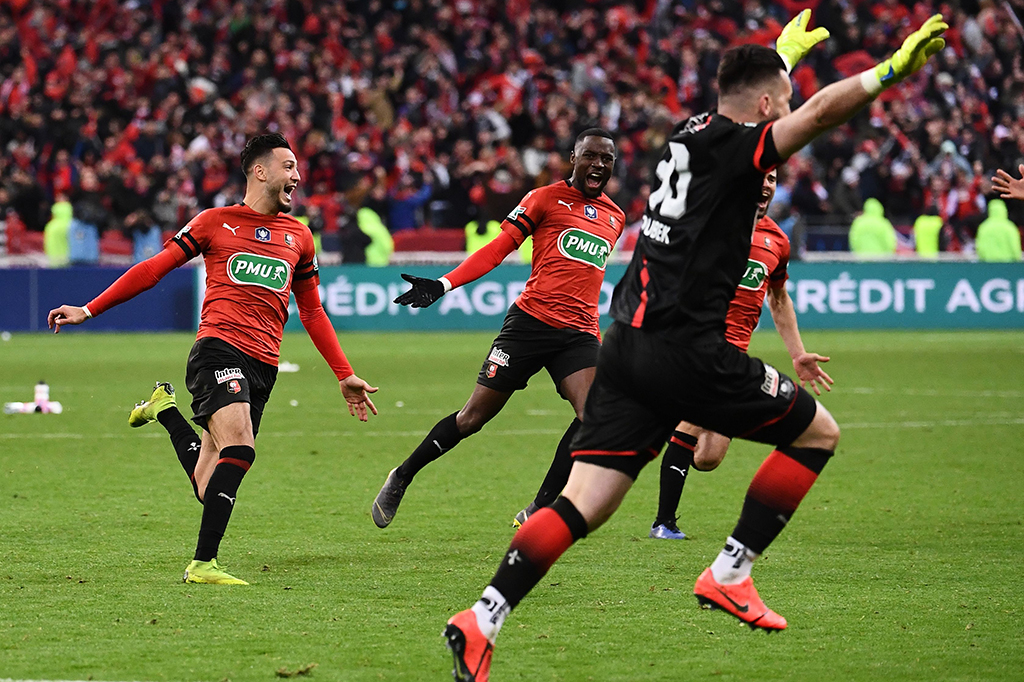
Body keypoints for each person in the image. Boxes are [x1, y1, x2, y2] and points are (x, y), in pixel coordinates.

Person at [442, 13, 947, 680]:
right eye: (781, 102)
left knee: (582, 502)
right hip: (686, 348)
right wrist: (888, 73)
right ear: (765, 107)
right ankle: (731, 571)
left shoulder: (687, 136)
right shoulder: (743, 144)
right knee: (817, 434)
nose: (786, 114)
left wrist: (782, 57)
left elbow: (762, 102)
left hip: (624, 345)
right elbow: (821, 114)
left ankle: (482, 617)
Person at [47, 133, 379, 585]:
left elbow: (313, 310)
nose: (297, 176)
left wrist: (345, 374)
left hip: (264, 365)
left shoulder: (299, 236)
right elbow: (152, 269)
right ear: (259, 171)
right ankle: (203, 564)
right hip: (218, 350)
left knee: (211, 486)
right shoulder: (215, 223)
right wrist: (89, 309)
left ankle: (164, 412)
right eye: (289, 166)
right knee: (241, 448)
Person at [371, 129, 625, 530]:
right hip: (530, 324)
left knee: (595, 415)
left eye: (606, 159)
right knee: (472, 418)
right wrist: (443, 284)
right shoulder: (544, 198)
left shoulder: (615, 217)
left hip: (578, 334)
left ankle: (541, 506)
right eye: (590, 156)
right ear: (572, 157)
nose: (598, 164)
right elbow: (497, 249)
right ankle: (402, 475)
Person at [648, 168, 833, 540]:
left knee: (708, 457)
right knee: (695, 418)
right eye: (760, 177)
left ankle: (668, 416)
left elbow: (779, 300)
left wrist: (797, 355)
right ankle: (663, 523)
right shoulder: (710, 223)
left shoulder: (777, 241)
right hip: (700, 345)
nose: (766, 185)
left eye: (772, 179)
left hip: (735, 350)